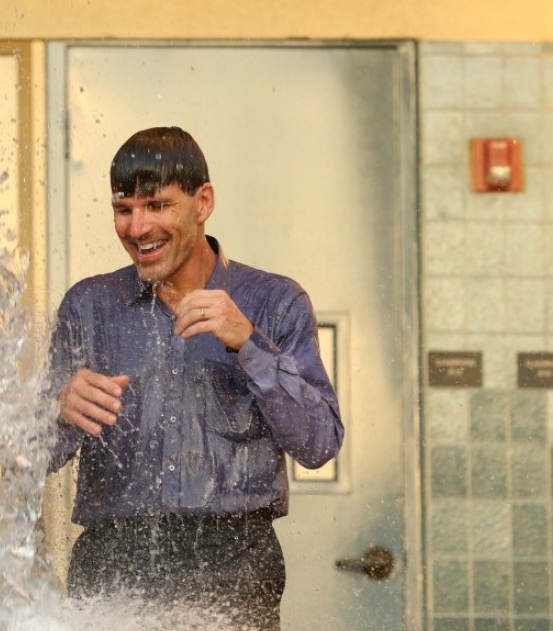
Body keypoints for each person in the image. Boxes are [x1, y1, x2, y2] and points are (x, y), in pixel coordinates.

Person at [48, 126, 344, 629]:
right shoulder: (89, 306)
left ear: (203, 201)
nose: (138, 227)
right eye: (124, 210)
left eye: (158, 206)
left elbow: (319, 444)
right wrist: (55, 410)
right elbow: (29, 458)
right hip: (112, 562)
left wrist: (248, 344)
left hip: (234, 563)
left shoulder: (274, 301)